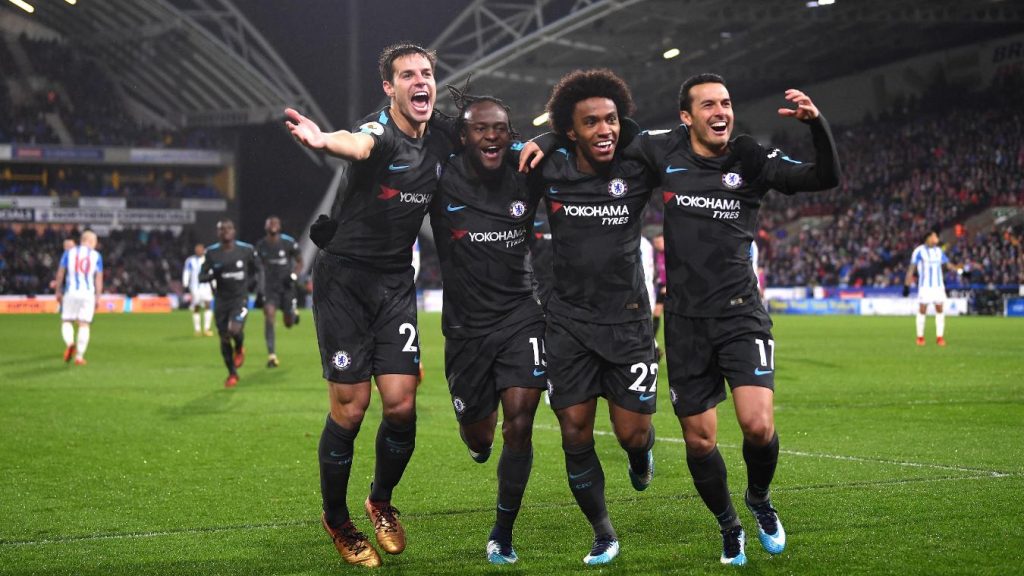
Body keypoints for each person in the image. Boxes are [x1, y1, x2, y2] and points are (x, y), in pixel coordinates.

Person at [625, 74, 840, 565]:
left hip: (741, 313)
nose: (720, 111)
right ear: (686, 116)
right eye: (708, 105)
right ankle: (729, 525)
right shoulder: (665, 150)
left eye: (725, 103)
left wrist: (816, 125)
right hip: (685, 322)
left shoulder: (750, 158)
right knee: (700, 439)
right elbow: (608, 136)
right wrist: (547, 139)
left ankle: (759, 498)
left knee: (758, 426)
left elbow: (825, 178)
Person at [284, 43, 457, 568]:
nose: (420, 81)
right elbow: (356, 144)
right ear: (389, 87)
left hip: (395, 282)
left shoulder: (442, 135)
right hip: (344, 282)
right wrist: (322, 140)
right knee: (352, 407)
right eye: (407, 75)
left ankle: (380, 501)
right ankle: (338, 521)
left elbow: (489, 137)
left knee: (401, 405)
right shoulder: (379, 131)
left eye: (426, 73)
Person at [531, 69, 658, 566]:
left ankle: (641, 454)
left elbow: (668, 142)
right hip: (567, 323)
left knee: (632, 434)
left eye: (611, 119)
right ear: (571, 130)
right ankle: (603, 533)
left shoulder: (638, 165)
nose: (604, 130)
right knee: (574, 431)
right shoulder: (550, 168)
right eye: (591, 122)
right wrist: (545, 138)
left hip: (628, 322)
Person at [430, 88, 546, 565]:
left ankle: (503, 531)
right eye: (480, 128)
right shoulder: (442, 176)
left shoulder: (527, 172)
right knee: (480, 437)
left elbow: (574, 146)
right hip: (466, 330)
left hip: (521, 315)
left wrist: (547, 138)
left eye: (500, 128)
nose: (491, 136)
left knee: (520, 423)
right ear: (463, 136)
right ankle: (477, 439)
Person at [199, 219, 257, 388]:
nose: (225, 231)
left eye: (228, 228)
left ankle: (239, 348)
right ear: (217, 233)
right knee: (224, 337)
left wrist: (253, 286)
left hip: (240, 298)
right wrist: (213, 274)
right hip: (221, 300)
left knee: (234, 330)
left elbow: (257, 269)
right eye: (221, 229)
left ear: (234, 231)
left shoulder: (246, 250)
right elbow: (201, 277)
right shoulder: (211, 253)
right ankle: (232, 373)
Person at [255, 216, 302, 367]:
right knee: (269, 316)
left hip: (286, 287)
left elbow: (300, 262)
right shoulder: (261, 245)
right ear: (265, 227)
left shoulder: (288, 242)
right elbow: (258, 267)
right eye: (270, 223)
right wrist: (259, 288)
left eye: (275, 223)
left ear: (280, 226)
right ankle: (272, 356)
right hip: (270, 289)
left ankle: (293, 313)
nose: (273, 225)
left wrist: (294, 276)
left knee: (288, 323)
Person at [903, 230, 960, 346]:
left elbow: (948, 265)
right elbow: (911, 269)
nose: (936, 238)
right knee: (922, 310)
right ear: (928, 238)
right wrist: (906, 285)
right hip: (925, 287)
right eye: (934, 236)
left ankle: (939, 337)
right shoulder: (919, 251)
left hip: (938, 286)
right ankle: (920, 337)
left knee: (939, 309)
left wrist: (960, 270)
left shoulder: (938, 251)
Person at [55, 230, 102, 366]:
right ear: (91, 241)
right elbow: (98, 279)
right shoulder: (96, 256)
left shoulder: (69, 253)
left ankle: (70, 343)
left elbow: (60, 273)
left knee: (67, 321)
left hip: (71, 291)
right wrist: (98, 297)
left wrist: (58, 291)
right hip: (88, 293)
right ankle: (79, 357)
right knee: (84, 324)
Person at [182, 243, 214, 337]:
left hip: (206, 286)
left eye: (200, 249)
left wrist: (214, 284)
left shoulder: (208, 259)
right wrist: (185, 283)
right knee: (196, 307)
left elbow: (212, 272)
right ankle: (197, 329)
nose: (199, 251)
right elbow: (186, 272)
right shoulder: (190, 260)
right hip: (195, 287)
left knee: (208, 305)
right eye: (197, 250)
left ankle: (207, 328)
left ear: (203, 250)